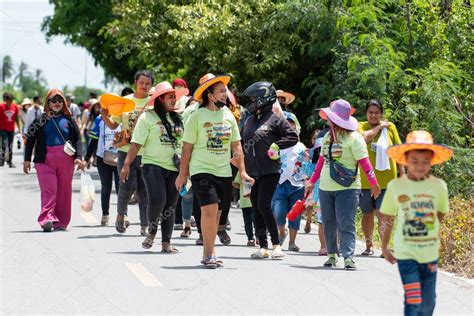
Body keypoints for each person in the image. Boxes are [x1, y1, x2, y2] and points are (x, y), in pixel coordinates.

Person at [175, 74, 253, 269]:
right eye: (221, 91)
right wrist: (182, 174)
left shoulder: (229, 116)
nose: (225, 95)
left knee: (218, 216)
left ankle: (208, 251)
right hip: (202, 170)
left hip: (224, 172)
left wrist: (242, 172)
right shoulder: (196, 116)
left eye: (225, 91)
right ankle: (209, 254)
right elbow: (187, 148)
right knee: (208, 211)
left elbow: (236, 147)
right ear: (210, 95)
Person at [379, 130, 453, 316]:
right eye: (414, 161)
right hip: (406, 253)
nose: (420, 166)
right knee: (413, 299)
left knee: (428, 303)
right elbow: (387, 217)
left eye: (425, 161)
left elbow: (441, 213)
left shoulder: (439, 187)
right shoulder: (396, 186)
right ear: (405, 160)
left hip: (429, 253)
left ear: (432, 160)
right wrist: (385, 246)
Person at [305, 99, 380, 270]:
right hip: (326, 187)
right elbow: (321, 162)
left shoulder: (355, 139)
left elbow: (365, 163)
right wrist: (312, 181)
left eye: (330, 117)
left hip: (349, 188)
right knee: (329, 222)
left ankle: (348, 256)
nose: (327, 120)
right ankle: (332, 255)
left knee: (346, 222)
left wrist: (373, 183)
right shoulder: (327, 138)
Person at [122, 81, 183, 253]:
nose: (174, 100)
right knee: (157, 200)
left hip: (174, 167)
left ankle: (166, 243)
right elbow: (136, 144)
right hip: (152, 166)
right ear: (160, 99)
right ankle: (152, 230)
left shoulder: (179, 118)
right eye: (170, 97)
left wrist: (186, 168)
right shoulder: (147, 117)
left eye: (175, 97)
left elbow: (186, 144)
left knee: (170, 206)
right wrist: (126, 164)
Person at [241, 81, 299, 260]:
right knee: (255, 208)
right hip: (252, 172)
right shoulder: (250, 120)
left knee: (263, 204)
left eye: (253, 98)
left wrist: (277, 145)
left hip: (270, 170)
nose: (251, 101)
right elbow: (242, 144)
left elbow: (293, 136)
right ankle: (263, 247)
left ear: (263, 98)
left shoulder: (275, 118)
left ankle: (276, 245)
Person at [23, 88, 85, 231]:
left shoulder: (69, 119)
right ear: (48, 103)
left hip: (66, 160)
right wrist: (27, 160)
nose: (57, 103)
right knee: (49, 190)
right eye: (53, 101)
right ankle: (46, 219)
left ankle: (61, 222)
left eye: (59, 100)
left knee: (64, 191)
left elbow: (78, 139)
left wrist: (79, 158)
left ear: (63, 102)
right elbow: (30, 139)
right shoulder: (40, 119)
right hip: (44, 160)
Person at [102, 70, 153, 236]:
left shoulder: (153, 102)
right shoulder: (125, 101)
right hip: (125, 151)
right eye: (142, 82)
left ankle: (145, 224)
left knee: (144, 189)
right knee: (126, 185)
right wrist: (104, 115)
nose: (144, 86)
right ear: (135, 83)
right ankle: (120, 215)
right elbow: (112, 125)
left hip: (147, 152)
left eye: (148, 83)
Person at [358, 99, 405, 256]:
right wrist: (379, 127)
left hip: (387, 180)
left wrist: (402, 174)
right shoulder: (360, 126)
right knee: (367, 213)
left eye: (377, 112)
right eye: (370, 112)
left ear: (381, 113)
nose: (373, 115)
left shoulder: (391, 127)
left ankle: (384, 247)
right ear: (366, 113)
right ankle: (369, 245)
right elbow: (364, 139)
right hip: (365, 180)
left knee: (383, 214)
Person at [271, 111, 306, 251]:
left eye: (291, 125)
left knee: (295, 214)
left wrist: (307, 180)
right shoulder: (276, 145)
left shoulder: (301, 146)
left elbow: (306, 165)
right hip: (279, 182)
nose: (289, 128)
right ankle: (281, 232)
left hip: (297, 184)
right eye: (285, 126)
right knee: (278, 212)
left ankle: (292, 242)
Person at [84, 97, 121, 226]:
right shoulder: (99, 120)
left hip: (120, 157)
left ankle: (122, 215)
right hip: (102, 158)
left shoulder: (122, 118)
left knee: (120, 187)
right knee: (106, 187)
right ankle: (105, 215)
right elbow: (93, 140)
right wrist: (86, 159)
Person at [233, 171, 256, 246]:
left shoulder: (242, 170)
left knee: (248, 221)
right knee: (254, 220)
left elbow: (235, 183)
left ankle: (252, 238)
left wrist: (243, 186)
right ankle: (253, 238)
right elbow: (235, 183)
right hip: (248, 200)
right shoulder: (242, 170)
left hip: (247, 200)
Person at [0, 92, 21, 167]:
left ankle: (10, 162)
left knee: (10, 145)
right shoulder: (1, 106)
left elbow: (16, 118)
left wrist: (19, 128)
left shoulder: (15, 106)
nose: (9, 102)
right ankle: (1, 160)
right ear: (5, 100)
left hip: (11, 129)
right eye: (8, 100)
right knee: (4, 145)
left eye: (11, 100)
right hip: (2, 129)